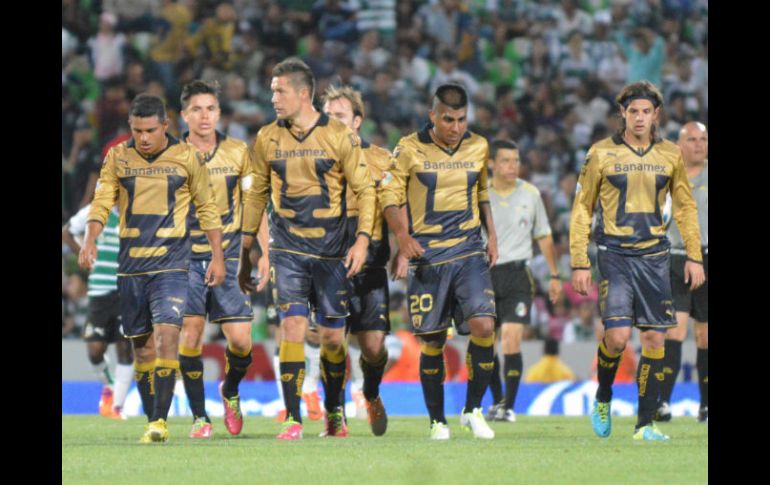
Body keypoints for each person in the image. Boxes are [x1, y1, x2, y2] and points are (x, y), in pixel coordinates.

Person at [237, 58, 376, 440]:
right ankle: (293, 417)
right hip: (288, 251)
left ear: (303, 94)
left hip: (332, 252)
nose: (273, 98)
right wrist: (248, 248)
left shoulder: (338, 135)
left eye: (279, 91)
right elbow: (257, 195)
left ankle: (334, 411)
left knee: (332, 338)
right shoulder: (267, 137)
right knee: (292, 327)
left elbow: (365, 191)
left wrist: (362, 240)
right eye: (272, 91)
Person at [79, 93, 225, 443]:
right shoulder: (118, 157)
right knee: (142, 348)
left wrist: (217, 256)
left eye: (149, 130)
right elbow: (102, 202)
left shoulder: (186, 156)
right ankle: (151, 418)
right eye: (137, 131)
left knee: (167, 336)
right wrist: (90, 239)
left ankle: (159, 421)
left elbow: (207, 207)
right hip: (131, 267)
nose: (143, 138)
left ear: (165, 126)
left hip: (172, 264)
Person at [569, 80, 705, 441]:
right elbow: (582, 209)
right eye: (633, 111)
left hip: (656, 256)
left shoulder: (670, 154)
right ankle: (603, 396)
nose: (640, 118)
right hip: (615, 255)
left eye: (646, 111)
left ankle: (645, 424)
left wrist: (694, 256)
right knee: (616, 338)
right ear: (622, 113)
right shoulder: (601, 153)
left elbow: (685, 208)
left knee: (655, 338)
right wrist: (579, 261)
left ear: (656, 114)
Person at [380, 83, 499, 440]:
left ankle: (473, 410)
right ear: (432, 116)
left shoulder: (479, 146)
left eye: (462, 119)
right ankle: (437, 421)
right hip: (427, 254)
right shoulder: (408, 149)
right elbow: (389, 196)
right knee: (432, 342)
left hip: (468, 250)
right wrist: (402, 239)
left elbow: (481, 192)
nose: (456, 127)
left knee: (484, 326)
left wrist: (492, 235)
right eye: (448, 119)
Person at [176, 80, 265, 439]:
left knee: (242, 342)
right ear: (184, 115)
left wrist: (264, 253)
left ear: (219, 113)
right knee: (191, 334)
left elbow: (254, 204)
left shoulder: (237, 152)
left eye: (210, 108)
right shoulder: (172, 155)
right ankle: (200, 417)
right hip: (185, 258)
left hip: (228, 256)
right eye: (196, 109)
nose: (204, 116)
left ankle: (230, 389)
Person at [322, 85, 392, 436]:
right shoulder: (315, 159)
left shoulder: (382, 159)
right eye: (328, 116)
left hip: (371, 264)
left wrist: (404, 248)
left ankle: (371, 392)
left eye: (340, 116)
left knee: (374, 348)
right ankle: (334, 411)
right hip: (329, 262)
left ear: (357, 121)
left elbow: (396, 209)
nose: (332, 123)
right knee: (333, 340)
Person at [483, 139, 563, 423]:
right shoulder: (480, 195)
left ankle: (508, 406)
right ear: (491, 163)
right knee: (485, 342)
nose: (512, 166)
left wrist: (554, 275)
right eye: (505, 160)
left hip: (518, 274)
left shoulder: (530, 193)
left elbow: (543, 234)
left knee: (510, 337)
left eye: (516, 160)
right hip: (485, 274)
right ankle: (496, 400)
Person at [655, 121, 708, 423]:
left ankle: (706, 405)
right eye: (692, 139)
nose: (699, 145)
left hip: (707, 256)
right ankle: (663, 402)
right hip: (675, 259)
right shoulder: (666, 178)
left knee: (704, 335)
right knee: (675, 329)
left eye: (703, 139)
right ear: (679, 145)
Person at [63, 204, 134, 420]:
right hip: (99, 290)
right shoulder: (95, 210)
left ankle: (117, 407)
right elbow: (67, 232)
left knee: (125, 348)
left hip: (126, 289)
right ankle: (110, 387)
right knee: (95, 349)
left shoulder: (135, 210)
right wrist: (84, 254)